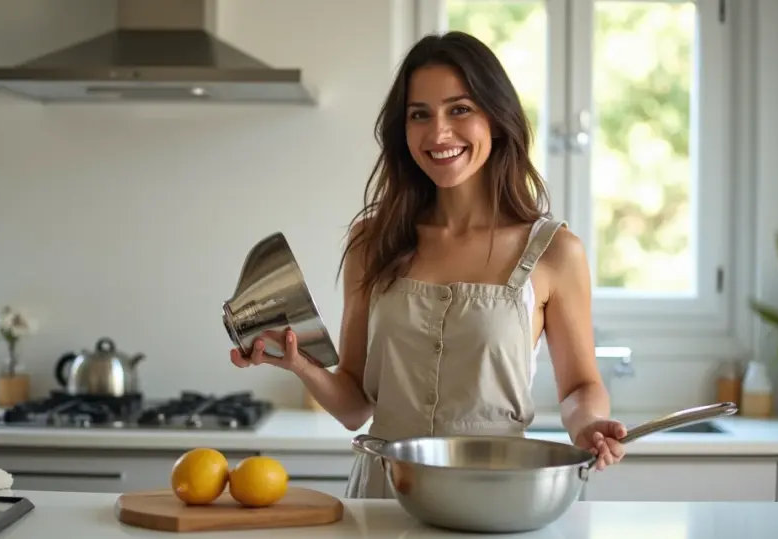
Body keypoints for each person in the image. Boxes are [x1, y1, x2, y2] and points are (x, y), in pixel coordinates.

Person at [229, 31, 628, 498]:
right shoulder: (372, 242)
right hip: (385, 496)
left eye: (459, 109)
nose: (438, 134)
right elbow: (356, 406)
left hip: (495, 495)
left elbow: (580, 385)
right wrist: (300, 364)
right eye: (420, 115)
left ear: (495, 120)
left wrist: (590, 423)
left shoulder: (555, 252)